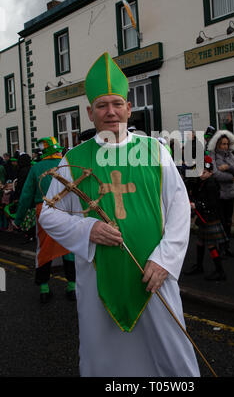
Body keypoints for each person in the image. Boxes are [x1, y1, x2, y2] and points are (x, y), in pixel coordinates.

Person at [39, 52, 200, 378]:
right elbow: (49, 215)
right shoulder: (75, 157)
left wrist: (166, 260)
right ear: (90, 112)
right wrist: (88, 228)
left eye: (116, 103)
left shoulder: (154, 150)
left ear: (128, 108)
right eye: (101, 105)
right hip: (99, 277)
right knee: (105, 357)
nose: (110, 111)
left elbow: (179, 207)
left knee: (171, 355)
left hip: (153, 274)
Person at [12, 137, 76, 303]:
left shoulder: (36, 168)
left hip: (45, 211)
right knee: (69, 247)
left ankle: (44, 289)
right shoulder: (67, 165)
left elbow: (26, 196)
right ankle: (72, 287)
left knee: (44, 248)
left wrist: (18, 220)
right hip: (67, 209)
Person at [185, 155, 227, 281]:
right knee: (200, 242)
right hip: (204, 218)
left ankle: (220, 271)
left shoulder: (211, 184)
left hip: (210, 218)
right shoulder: (202, 182)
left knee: (211, 245)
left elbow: (212, 203)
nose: (201, 174)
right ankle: (199, 266)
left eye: (204, 172)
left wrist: (196, 205)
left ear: (210, 172)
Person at [207, 129, 234, 257]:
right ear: (217, 144)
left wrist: (228, 167)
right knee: (221, 222)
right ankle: (220, 248)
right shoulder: (213, 156)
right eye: (223, 144)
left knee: (228, 222)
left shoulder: (230, 155)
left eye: (227, 144)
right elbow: (215, 173)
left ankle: (227, 247)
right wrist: (230, 177)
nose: (225, 146)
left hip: (230, 194)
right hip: (219, 194)